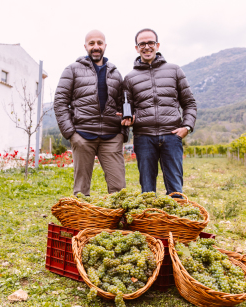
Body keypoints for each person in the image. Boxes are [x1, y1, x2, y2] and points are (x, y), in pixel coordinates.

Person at [122, 28, 197, 196]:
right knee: (147, 191)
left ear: (157, 45)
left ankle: (175, 221)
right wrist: (128, 121)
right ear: (136, 48)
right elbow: (127, 109)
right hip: (143, 137)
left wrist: (187, 127)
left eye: (150, 43)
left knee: (175, 189)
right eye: (142, 43)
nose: (147, 47)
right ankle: (150, 221)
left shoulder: (175, 70)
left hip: (172, 135)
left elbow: (189, 103)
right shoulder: (129, 78)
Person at [54, 30, 127, 195]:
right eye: (92, 43)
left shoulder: (116, 73)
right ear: (85, 46)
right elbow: (60, 102)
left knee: (119, 189)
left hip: (111, 137)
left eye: (99, 43)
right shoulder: (72, 70)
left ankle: (117, 220)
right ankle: (82, 220)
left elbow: (124, 105)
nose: (96, 47)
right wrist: (71, 134)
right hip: (83, 136)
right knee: (81, 190)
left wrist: (122, 133)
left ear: (105, 46)